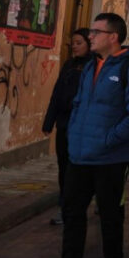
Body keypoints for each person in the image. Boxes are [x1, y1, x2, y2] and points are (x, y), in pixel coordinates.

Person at [35, 13, 129, 258]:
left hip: (112, 159)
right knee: (72, 213)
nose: (90, 36)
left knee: (110, 217)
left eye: (96, 32)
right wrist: (75, 136)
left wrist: (108, 140)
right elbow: (78, 104)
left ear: (113, 37)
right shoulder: (89, 67)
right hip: (80, 155)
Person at [42, 28, 92, 225]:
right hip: (64, 123)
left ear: (88, 44)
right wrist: (49, 121)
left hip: (81, 126)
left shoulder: (93, 66)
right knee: (63, 166)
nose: (75, 46)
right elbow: (57, 93)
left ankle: (72, 207)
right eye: (73, 43)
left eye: (79, 43)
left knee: (76, 168)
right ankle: (64, 206)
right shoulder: (69, 65)